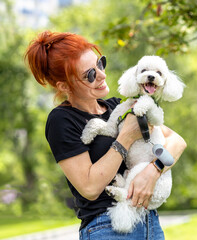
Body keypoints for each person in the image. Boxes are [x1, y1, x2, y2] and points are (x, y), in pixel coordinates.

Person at [24, 30, 187, 240]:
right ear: (65, 86)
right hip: (107, 228)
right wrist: (126, 137)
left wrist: (153, 171)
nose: (101, 75)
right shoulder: (61, 120)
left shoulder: (117, 106)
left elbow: (177, 141)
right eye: (89, 74)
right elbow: (90, 187)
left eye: (100, 64)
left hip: (149, 222)